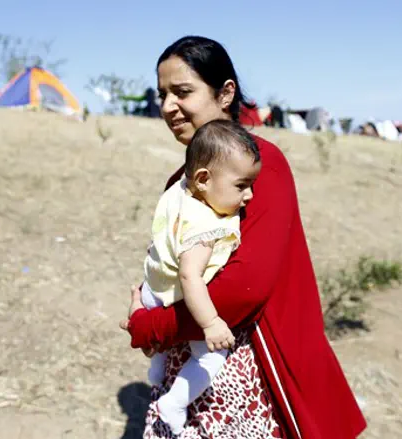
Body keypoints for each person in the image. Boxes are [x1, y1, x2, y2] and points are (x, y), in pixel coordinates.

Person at [120, 35, 366, 438]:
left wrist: (151, 327)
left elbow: (244, 288)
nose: (168, 107)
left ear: (225, 93)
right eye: (162, 94)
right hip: (190, 357)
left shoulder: (261, 166)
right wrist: (149, 310)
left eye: (182, 92)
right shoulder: (183, 181)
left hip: (247, 372)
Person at [137, 119, 261, 435]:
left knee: (161, 349)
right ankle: (175, 402)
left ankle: (156, 367)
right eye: (241, 185)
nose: (249, 196)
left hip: (152, 288)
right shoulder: (207, 227)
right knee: (211, 357)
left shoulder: (180, 190)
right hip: (175, 296)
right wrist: (211, 323)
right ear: (204, 179)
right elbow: (191, 277)